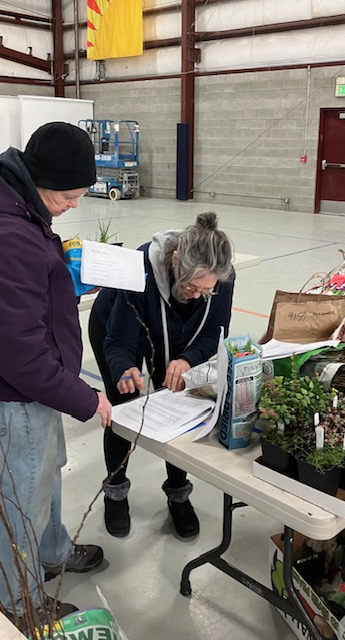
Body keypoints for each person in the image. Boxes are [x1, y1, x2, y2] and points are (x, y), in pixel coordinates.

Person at [0, 122, 113, 630]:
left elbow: (22, 306)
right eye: (67, 196)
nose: (72, 206)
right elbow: (19, 355)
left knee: (47, 473)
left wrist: (58, 281)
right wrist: (85, 399)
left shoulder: (16, 206)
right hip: (18, 394)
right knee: (24, 497)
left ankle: (54, 551)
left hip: (33, 389)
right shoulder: (8, 236)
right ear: (39, 179)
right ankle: (17, 601)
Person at [89, 212, 234, 538]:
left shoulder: (219, 277)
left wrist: (188, 358)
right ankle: (115, 492)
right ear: (175, 261)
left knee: (179, 404)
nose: (199, 295)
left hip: (177, 332)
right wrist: (124, 367)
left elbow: (215, 331)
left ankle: (179, 493)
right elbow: (118, 340)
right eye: (192, 286)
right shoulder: (138, 270)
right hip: (117, 327)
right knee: (123, 406)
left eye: (206, 291)